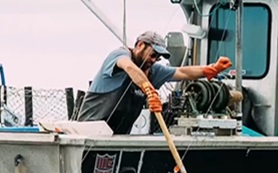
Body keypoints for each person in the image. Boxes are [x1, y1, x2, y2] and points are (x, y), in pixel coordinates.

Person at [77, 30, 232, 134]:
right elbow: (129, 67)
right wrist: (148, 89)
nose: (154, 60)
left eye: (158, 57)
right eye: (153, 54)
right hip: (86, 134)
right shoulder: (120, 55)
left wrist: (210, 69)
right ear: (139, 45)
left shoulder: (153, 71)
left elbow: (182, 72)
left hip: (116, 137)